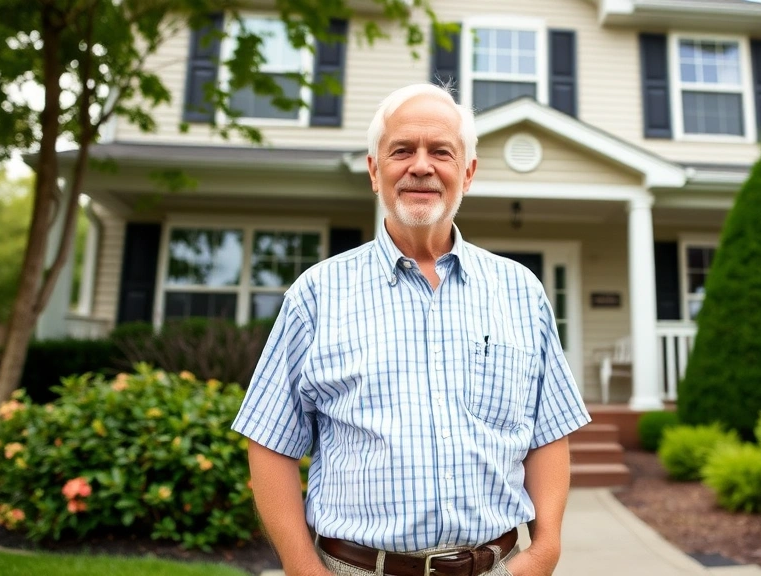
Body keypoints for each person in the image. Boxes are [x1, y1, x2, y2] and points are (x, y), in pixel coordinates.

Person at [232, 83, 591, 576]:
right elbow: (270, 441)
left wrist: (545, 548)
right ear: (375, 171)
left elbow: (549, 431)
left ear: (467, 172)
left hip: (498, 567)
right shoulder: (316, 294)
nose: (421, 165)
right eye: (402, 150)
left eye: (441, 152)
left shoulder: (521, 292)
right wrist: (302, 568)